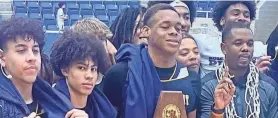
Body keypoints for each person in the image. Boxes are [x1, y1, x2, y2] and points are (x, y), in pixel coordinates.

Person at [103, 4, 200, 118]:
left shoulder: (190, 77)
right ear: (145, 31)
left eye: (178, 29)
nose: (174, 32)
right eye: (165, 27)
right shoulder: (121, 73)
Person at [0, 18, 88, 118]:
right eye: (21, 50)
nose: (31, 57)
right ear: (2, 58)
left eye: (35, 50)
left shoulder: (56, 101)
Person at [199, 21, 278, 118]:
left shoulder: (269, 86)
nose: (245, 48)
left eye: (250, 44)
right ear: (224, 48)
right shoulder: (208, 85)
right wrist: (217, 111)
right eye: (238, 43)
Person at [193, 1, 271, 78]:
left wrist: (257, 75)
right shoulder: (203, 44)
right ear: (222, 20)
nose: (242, 18)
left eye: (246, 15)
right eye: (236, 14)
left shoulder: (261, 49)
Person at [50, 30, 117, 118]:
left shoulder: (105, 108)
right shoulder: (49, 105)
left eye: (93, 69)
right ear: (65, 70)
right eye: (82, 68)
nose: (89, 76)